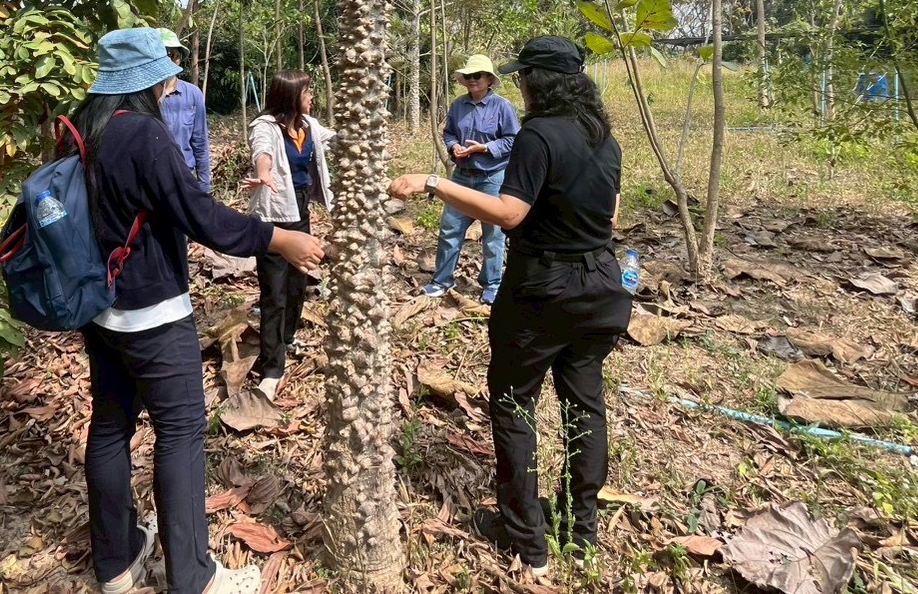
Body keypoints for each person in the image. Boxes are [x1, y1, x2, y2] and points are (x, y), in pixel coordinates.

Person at [65, 28, 323, 594]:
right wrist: (277, 238)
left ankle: (116, 563)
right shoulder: (144, 134)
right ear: (147, 81)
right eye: (165, 75)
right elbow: (200, 216)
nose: (171, 83)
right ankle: (194, 578)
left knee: (110, 427)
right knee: (180, 432)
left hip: (99, 307)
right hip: (152, 311)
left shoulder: (81, 127)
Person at [389, 36, 629, 577]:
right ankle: (580, 532)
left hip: (544, 286)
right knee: (584, 404)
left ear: (539, 82)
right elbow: (610, 213)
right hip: (601, 285)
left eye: (523, 76)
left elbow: (509, 213)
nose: (518, 84)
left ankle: (527, 540)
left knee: (514, 403)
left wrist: (433, 183)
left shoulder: (537, 135)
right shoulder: (604, 137)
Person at [243, 70, 334, 403]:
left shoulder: (309, 125)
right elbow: (262, 152)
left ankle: (287, 338)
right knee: (274, 291)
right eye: (307, 92)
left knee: (298, 283)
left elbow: (334, 139)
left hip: (300, 211)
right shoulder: (265, 126)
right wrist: (263, 174)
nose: (312, 97)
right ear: (291, 96)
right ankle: (271, 368)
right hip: (274, 215)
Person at [424, 54, 521, 304]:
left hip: (493, 178)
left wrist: (485, 148)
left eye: (477, 76)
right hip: (462, 177)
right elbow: (449, 133)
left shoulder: (502, 107)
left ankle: (492, 285)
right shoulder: (458, 105)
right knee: (450, 229)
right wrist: (454, 146)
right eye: (468, 76)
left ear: (489, 79)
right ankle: (442, 280)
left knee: (493, 236)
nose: (472, 80)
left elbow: (514, 140)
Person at [158, 28, 212, 192]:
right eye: (163, 55)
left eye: (173, 55)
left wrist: (204, 186)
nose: (169, 60)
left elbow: (200, 141)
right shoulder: (142, 96)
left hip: (185, 177)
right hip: (152, 178)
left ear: (179, 60)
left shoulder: (193, 94)